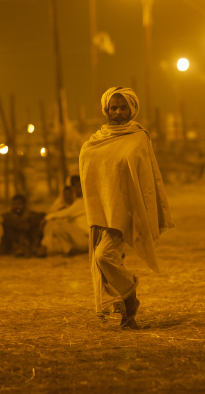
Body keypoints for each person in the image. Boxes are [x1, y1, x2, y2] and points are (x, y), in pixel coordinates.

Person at [79, 86, 174, 329]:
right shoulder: (95, 140)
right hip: (101, 210)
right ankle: (127, 314)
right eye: (114, 107)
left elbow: (144, 174)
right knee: (102, 262)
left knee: (104, 256)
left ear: (132, 109)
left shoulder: (138, 137)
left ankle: (130, 295)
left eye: (123, 107)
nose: (118, 112)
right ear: (106, 110)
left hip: (127, 207)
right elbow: (89, 165)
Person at [41, 181, 89, 256]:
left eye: (70, 194)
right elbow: (56, 211)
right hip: (78, 240)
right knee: (56, 227)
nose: (68, 197)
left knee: (57, 222)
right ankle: (69, 250)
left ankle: (44, 246)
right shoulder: (66, 207)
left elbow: (63, 214)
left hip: (86, 239)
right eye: (65, 195)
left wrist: (46, 218)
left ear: (74, 194)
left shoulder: (80, 202)